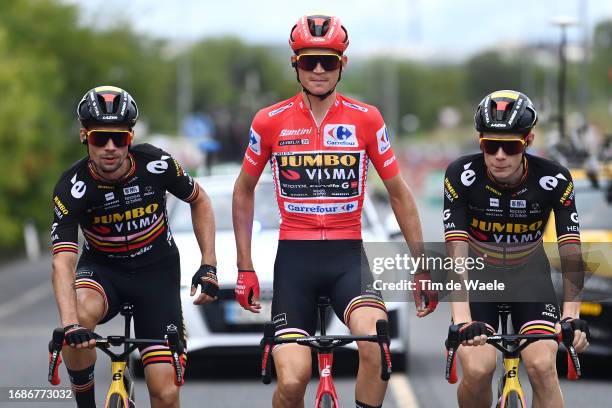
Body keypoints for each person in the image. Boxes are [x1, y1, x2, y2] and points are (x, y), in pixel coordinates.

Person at [232, 15, 437, 408]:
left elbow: (399, 193)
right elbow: (242, 191)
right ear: (296, 64)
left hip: (348, 258)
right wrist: (245, 267)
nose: (320, 70)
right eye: (310, 61)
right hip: (295, 260)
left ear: (343, 63)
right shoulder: (269, 121)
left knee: (376, 343)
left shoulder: (366, 118)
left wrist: (422, 266)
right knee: (292, 381)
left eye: (329, 61)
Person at [51, 85, 218, 408]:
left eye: (120, 138)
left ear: (131, 136)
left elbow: (200, 200)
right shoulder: (72, 187)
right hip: (103, 272)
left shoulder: (156, 163)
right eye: (101, 138)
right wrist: (70, 324)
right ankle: (84, 401)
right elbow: (62, 262)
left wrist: (208, 263)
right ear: (85, 136)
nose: (111, 147)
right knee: (77, 315)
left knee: (165, 393)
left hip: (156, 273)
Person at [443, 90, 590, 408]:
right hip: (481, 279)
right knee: (478, 369)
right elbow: (456, 250)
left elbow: (571, 252)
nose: (499, 155)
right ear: (479, 141)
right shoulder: (461, 176)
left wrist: (571, 316)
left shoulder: (554, 179)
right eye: (489, 145)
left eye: (509, 146)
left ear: (528, 140)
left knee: (541, 366)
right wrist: (462, 319)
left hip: (530, 278)